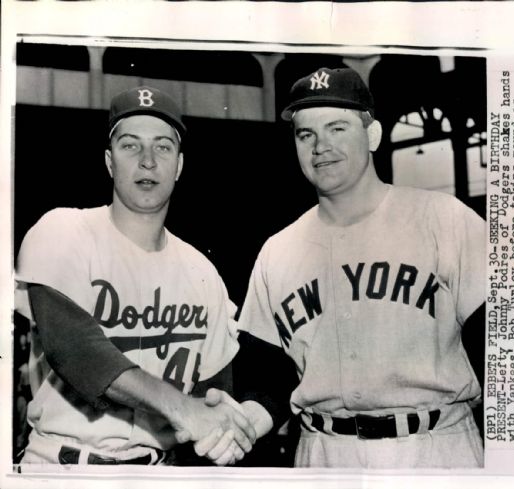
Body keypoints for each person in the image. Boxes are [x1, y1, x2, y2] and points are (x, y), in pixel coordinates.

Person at [208, 67, 486, 468]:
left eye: (337, 128)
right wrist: (248, 420)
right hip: (324, 454)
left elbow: (507, 346)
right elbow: (270, 375)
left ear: (371, 135)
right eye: (306, 134)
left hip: (435, 449)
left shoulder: (444, 219)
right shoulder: (278, 251)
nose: (321, 146)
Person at [14, 85, 256, 466]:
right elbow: (76, 351)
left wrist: (221, 431)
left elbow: (213, 393)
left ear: (179, 165)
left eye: (162, 146)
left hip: (158, 470)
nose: (147, 161)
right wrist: (184, 410)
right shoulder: (63, 231)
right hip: (63, 468)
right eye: (130, 145)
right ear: (110, 162)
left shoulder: (202, 272)